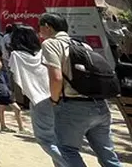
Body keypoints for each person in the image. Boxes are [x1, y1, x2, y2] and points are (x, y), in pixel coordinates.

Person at [39, 12, 122, 167]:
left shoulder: (50, 44)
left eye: (41, 28)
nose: (40, 32)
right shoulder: (83, 44)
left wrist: (54, 100)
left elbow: (56, 77)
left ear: (47, 27)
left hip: (73, 105)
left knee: (67, 150)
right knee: (107, 153)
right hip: (99, 105)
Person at [8, 25, 65, 166]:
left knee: (45, 140)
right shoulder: (44, 52)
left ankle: (71, 163)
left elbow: (15, 78)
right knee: (59, 138)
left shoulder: (16, 55)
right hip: (57, 95)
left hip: (38, 101)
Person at [0, 54, 23, 133]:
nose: (0, 63)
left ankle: (3, 126)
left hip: (4, 93)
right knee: (17, 109)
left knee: (1, 110)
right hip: (2, 94)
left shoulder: (0, 72)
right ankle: (21, 128)